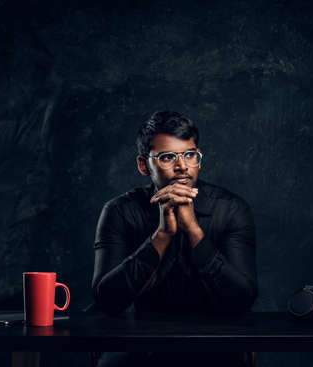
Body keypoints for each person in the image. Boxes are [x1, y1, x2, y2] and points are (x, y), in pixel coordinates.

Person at [91, 111, 258, 367]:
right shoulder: (119, 211)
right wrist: (162, 235)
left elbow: (242, 298)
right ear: (144, 165)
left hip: (216, 345)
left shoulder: (231, 209)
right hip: (141, 343)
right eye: (168, 157)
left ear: (198, 159)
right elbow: (108, 300)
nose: (182, 166)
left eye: (190, 155)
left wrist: (194, 231)